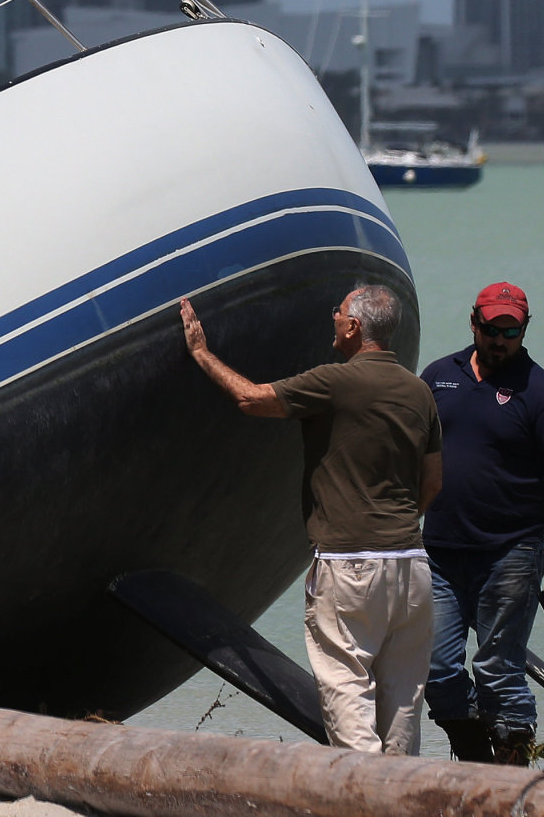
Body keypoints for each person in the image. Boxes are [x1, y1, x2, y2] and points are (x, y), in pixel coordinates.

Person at [180, 285, 442, 754]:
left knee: (347, 697)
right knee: (402, 707)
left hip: (349, 564)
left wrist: (201, 354)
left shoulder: (336, 381)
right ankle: (403, 800)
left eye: (338, 312)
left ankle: (364, 803)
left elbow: (251, 398)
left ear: (355, 327)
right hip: (411, 564)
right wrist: (395, 527)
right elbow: (433, 483)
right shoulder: (419, 391)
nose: (333, 317)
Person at [420, 282, 544, 766]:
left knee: (498, 669)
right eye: (491, 328)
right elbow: (409, 451)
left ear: (524, 329)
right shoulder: (437, 376)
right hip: (440, 554)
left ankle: (510, 769)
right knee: (436, 670)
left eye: (510, 330)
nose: (499, 339)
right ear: (473, 322)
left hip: (510, 553)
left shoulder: (542, 393)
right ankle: (479, 768)